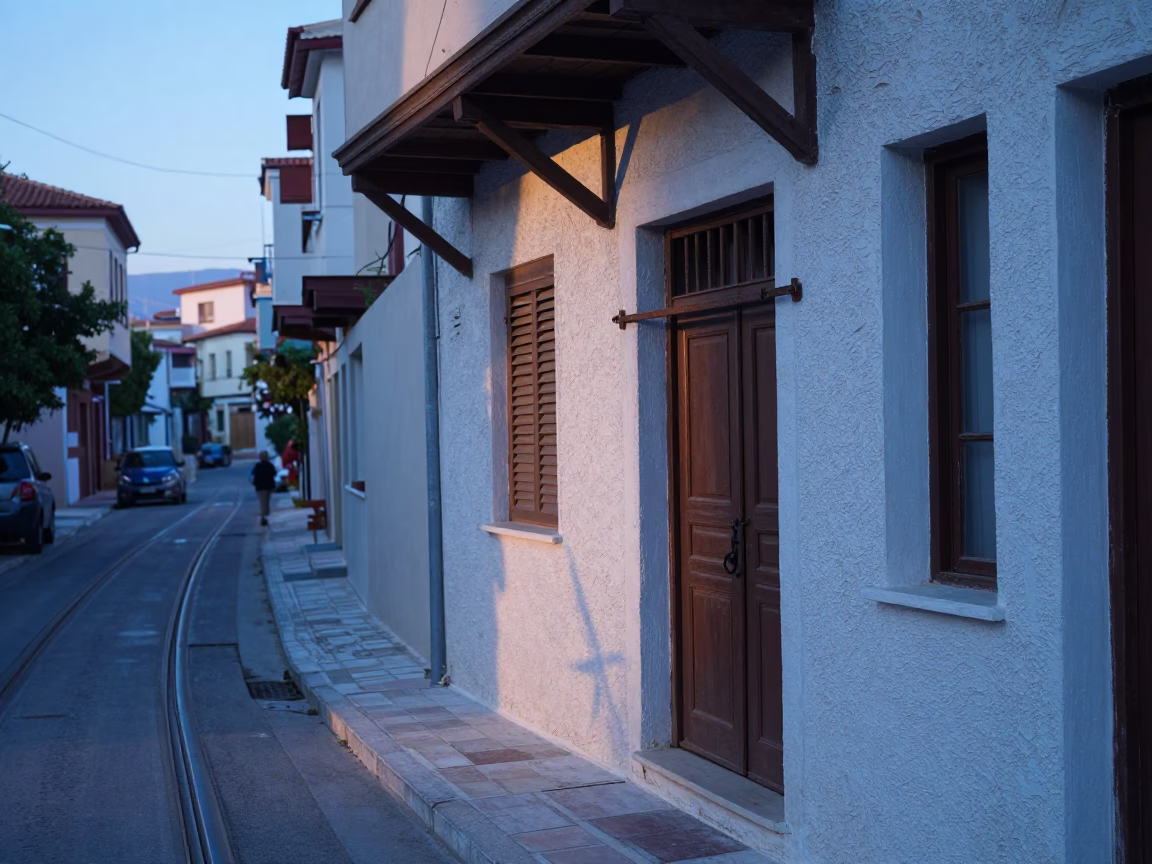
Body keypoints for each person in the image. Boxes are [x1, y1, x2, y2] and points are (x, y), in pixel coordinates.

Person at [250, 451, 277, 526]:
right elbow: (274, 473)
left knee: (263, 502)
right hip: (267, 486)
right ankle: (264, 517)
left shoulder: (258, 466)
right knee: (266, 502)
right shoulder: (269, 465)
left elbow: (253, 475)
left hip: (260, 487)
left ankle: (264, 516)